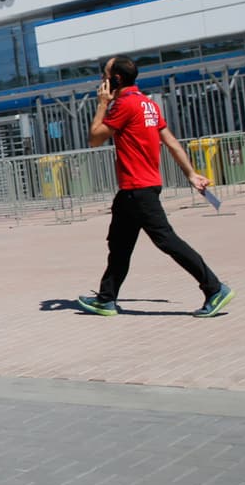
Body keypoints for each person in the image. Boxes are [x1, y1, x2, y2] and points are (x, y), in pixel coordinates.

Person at [77, 56, 234, 318]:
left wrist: (102, 104)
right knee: (119, 244)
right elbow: (170, 141)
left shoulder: (123, 105)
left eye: (104, 75)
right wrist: (191, 173)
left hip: (138, 189)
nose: (101, 80)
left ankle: (214, 288)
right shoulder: (147, 104)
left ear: (116, 79)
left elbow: (94, 138)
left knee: (167, 241)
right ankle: (106, 299)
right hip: (134, 190)